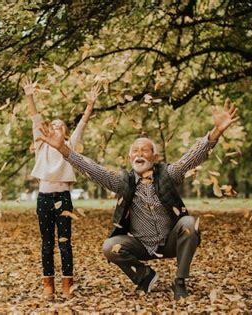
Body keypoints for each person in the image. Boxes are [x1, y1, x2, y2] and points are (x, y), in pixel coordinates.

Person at [35, 99, 239, 300]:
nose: (139, 154)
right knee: (110, 246)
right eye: (135, 151)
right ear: (129, 158)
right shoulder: (121, 181)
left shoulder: (168, 173)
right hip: (139, 245)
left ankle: (180, 282)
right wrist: (63, 149)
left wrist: (216, 132)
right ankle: (145, 276)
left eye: (145, 150)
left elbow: (192, 157)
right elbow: (91, 168)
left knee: (189, 223)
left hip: (170, 242)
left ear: (155, 157)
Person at [21, 77, 101, 299]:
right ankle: (48, 284)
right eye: (52, 124)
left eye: (60, 125)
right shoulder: (41, 144)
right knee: (47, 243)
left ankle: (68, 283)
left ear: (65, 133)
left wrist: (90, 105)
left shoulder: (70, 147)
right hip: (44, 198)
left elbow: (83, 124)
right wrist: (29, 95)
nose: (56, 126)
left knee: (64, 242)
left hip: (63, 198)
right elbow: (35, 119)